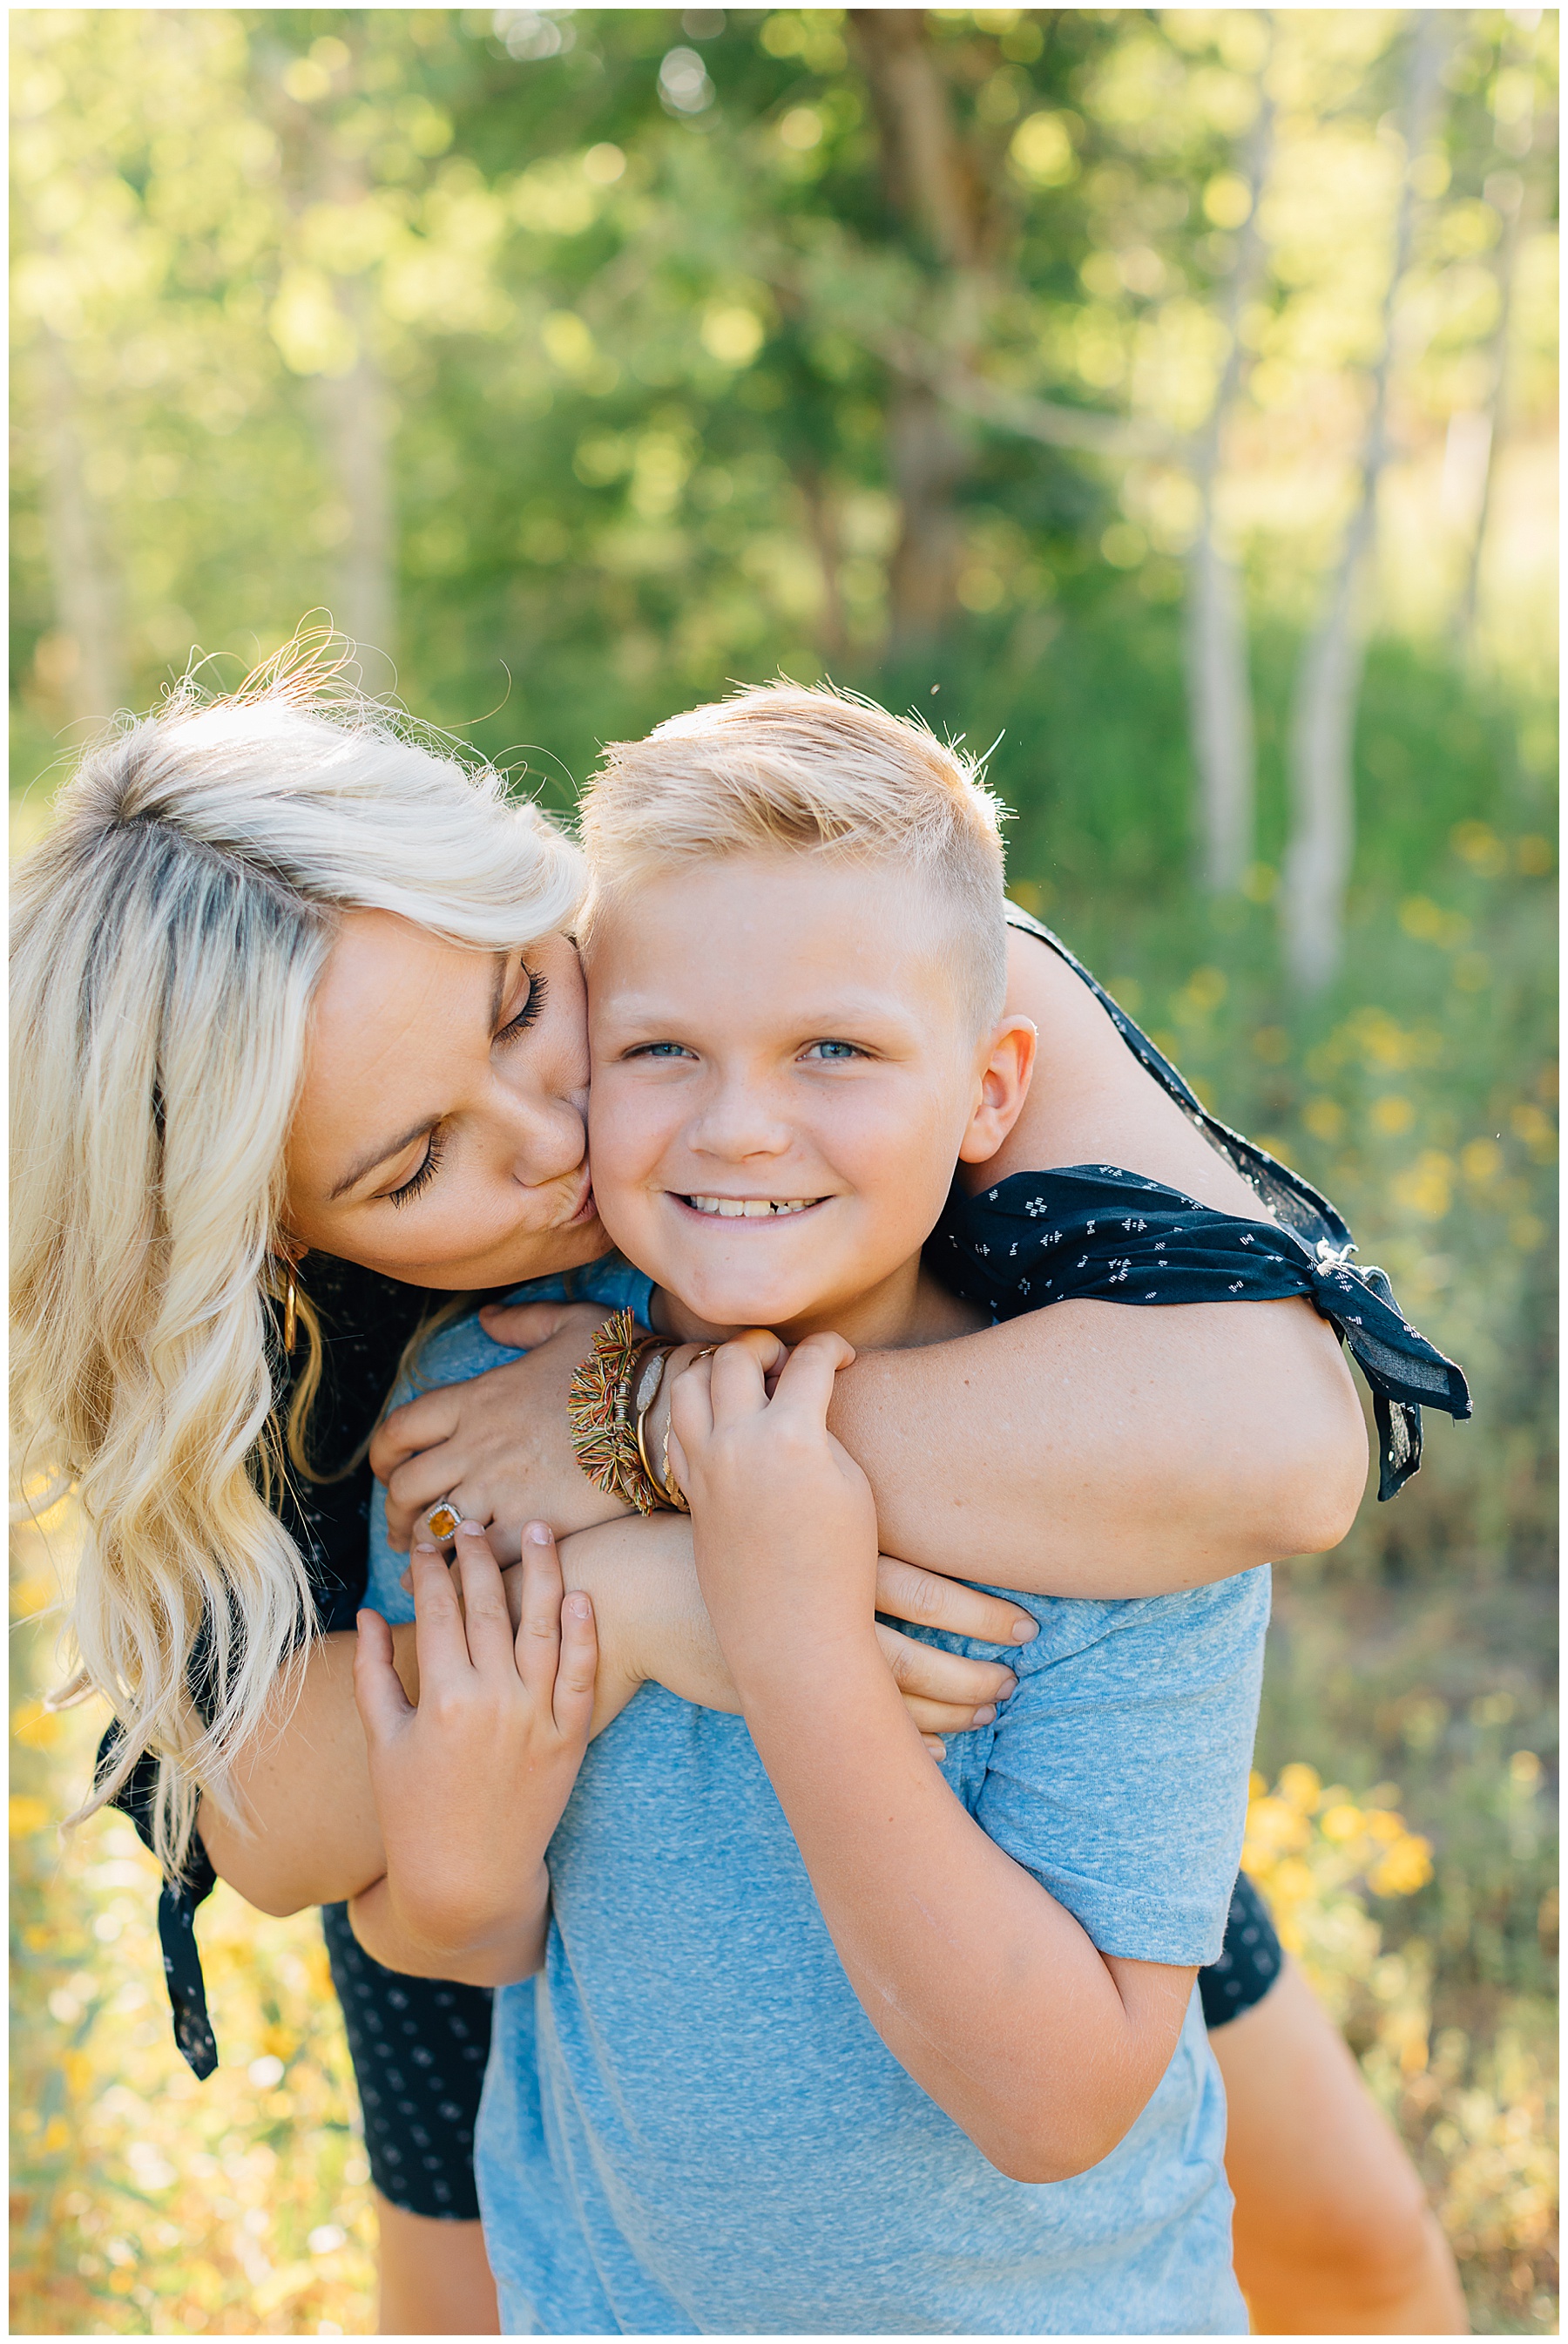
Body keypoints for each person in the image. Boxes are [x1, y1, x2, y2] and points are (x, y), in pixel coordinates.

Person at [8, 660, 1465, 2331]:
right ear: (266, 1242)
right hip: (513, 1798)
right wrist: (664, 1600)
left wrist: (644, 1432)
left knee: (1341, 2250)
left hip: (973, 1692)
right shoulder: (271, 1327)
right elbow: (283, 1823)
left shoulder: (795, 958)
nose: (555, 1137)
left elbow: (1278, 1447)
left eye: (520, 1007)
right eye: (414, 1165)